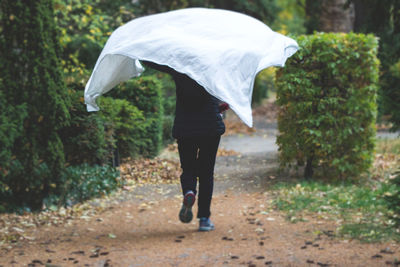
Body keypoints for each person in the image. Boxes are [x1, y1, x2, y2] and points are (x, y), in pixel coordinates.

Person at [142, 61, 228, 231]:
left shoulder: (178, 67)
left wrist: (140, 52)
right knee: (206, 173)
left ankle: (189, 191)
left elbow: (154, 61)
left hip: (185, 128)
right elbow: (226, 92)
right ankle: (204, 219)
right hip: (210, 126)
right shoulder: (213, 65)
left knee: (188, 168)